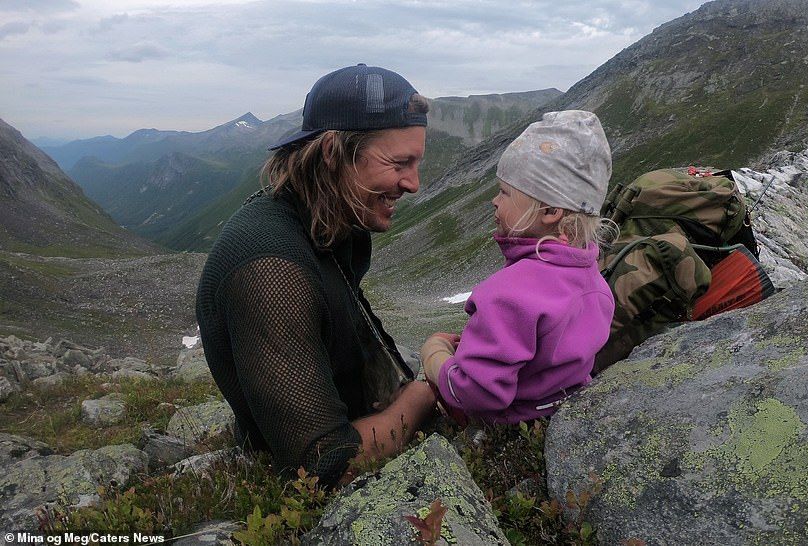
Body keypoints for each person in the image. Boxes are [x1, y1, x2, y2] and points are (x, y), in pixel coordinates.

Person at [195, 64, 438, 486]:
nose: (414, 183)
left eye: (416, 162)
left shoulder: (332, 221)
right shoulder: (270, 267)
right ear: (331, 153)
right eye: (399, 162)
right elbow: (324, 463)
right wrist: (424, 395)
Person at [420, 110, 616, 424]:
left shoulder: (507, 295)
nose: (494, 201)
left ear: (551, 210)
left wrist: (435, 357)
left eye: (505, 192)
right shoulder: (595, 281)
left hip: (511, 429)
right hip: (568, 419)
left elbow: (476, 392)